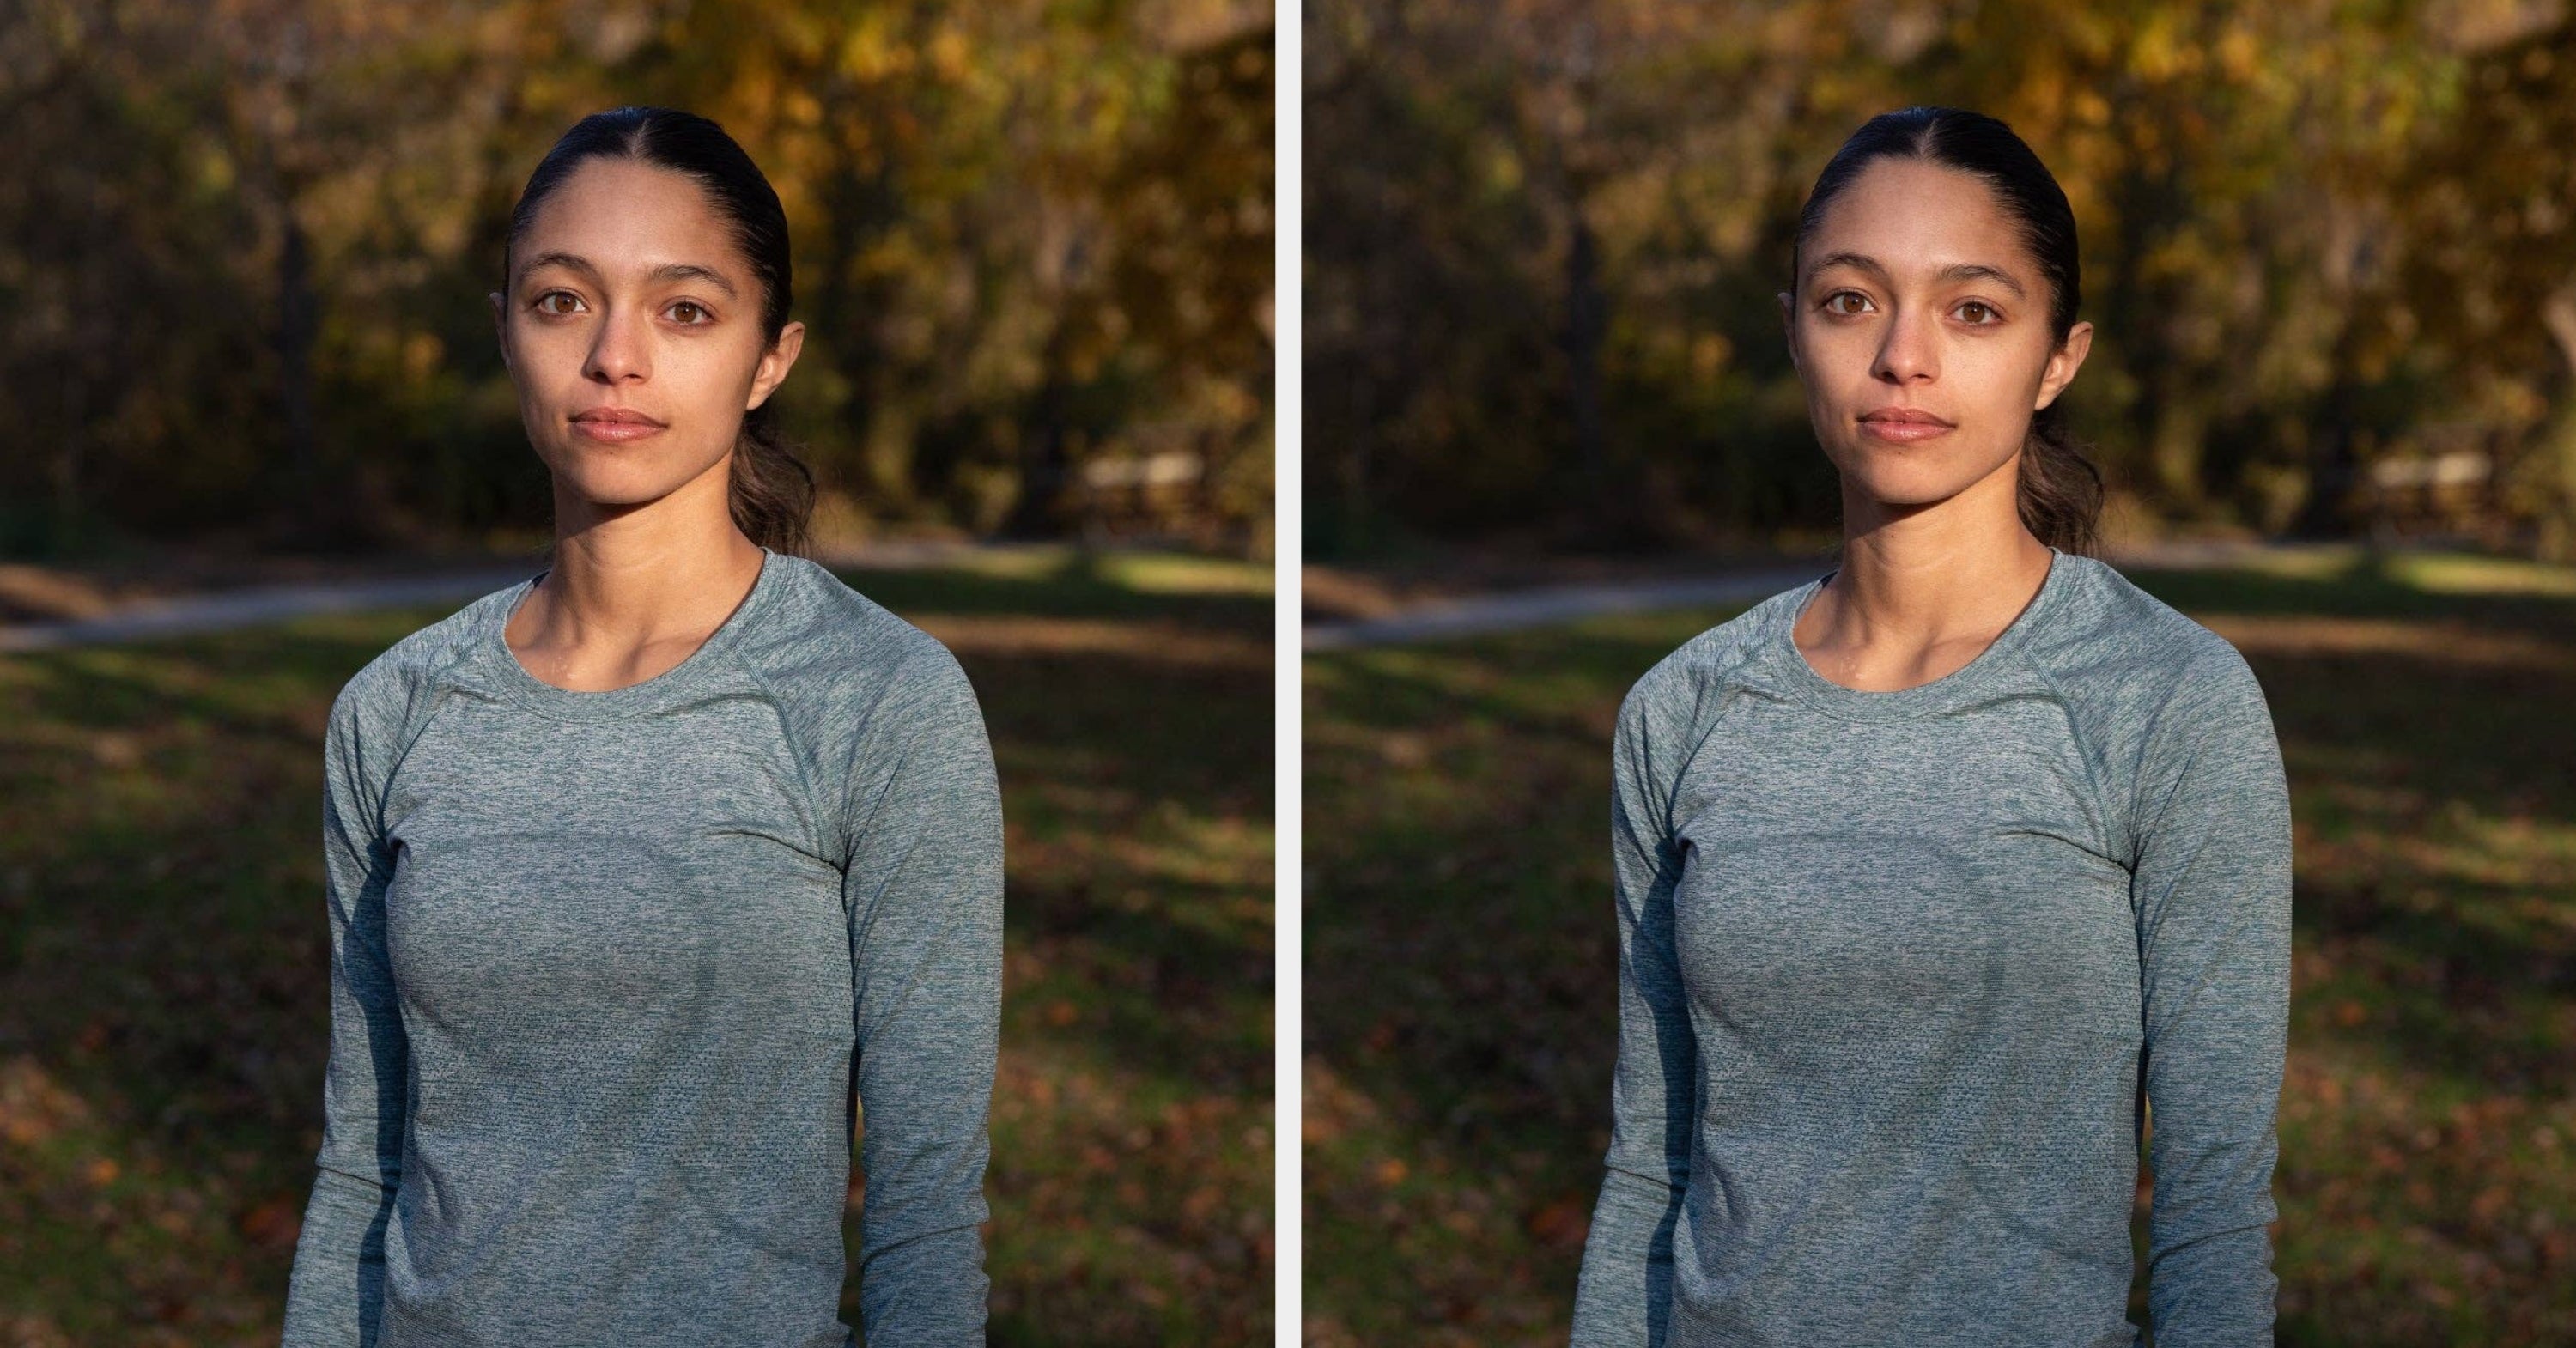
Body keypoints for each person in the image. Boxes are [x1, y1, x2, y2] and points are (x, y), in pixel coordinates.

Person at [280, 106, 1004, 1347]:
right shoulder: (393, 710)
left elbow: (925, 1211)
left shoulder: (877, 697)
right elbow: (364, 1162)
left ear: (769, 358)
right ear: (504, 328)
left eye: (684, 310)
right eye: (563, 300)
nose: (616, 356)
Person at [1568, 106, 2292, 1348]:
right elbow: (1653, 1160)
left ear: (2058, 358)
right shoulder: (1682, 711)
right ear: (1792, 328)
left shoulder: (2165, 697)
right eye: (1852, 300)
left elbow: (2214, 1208)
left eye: (1972, 310)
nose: (1905, 356)